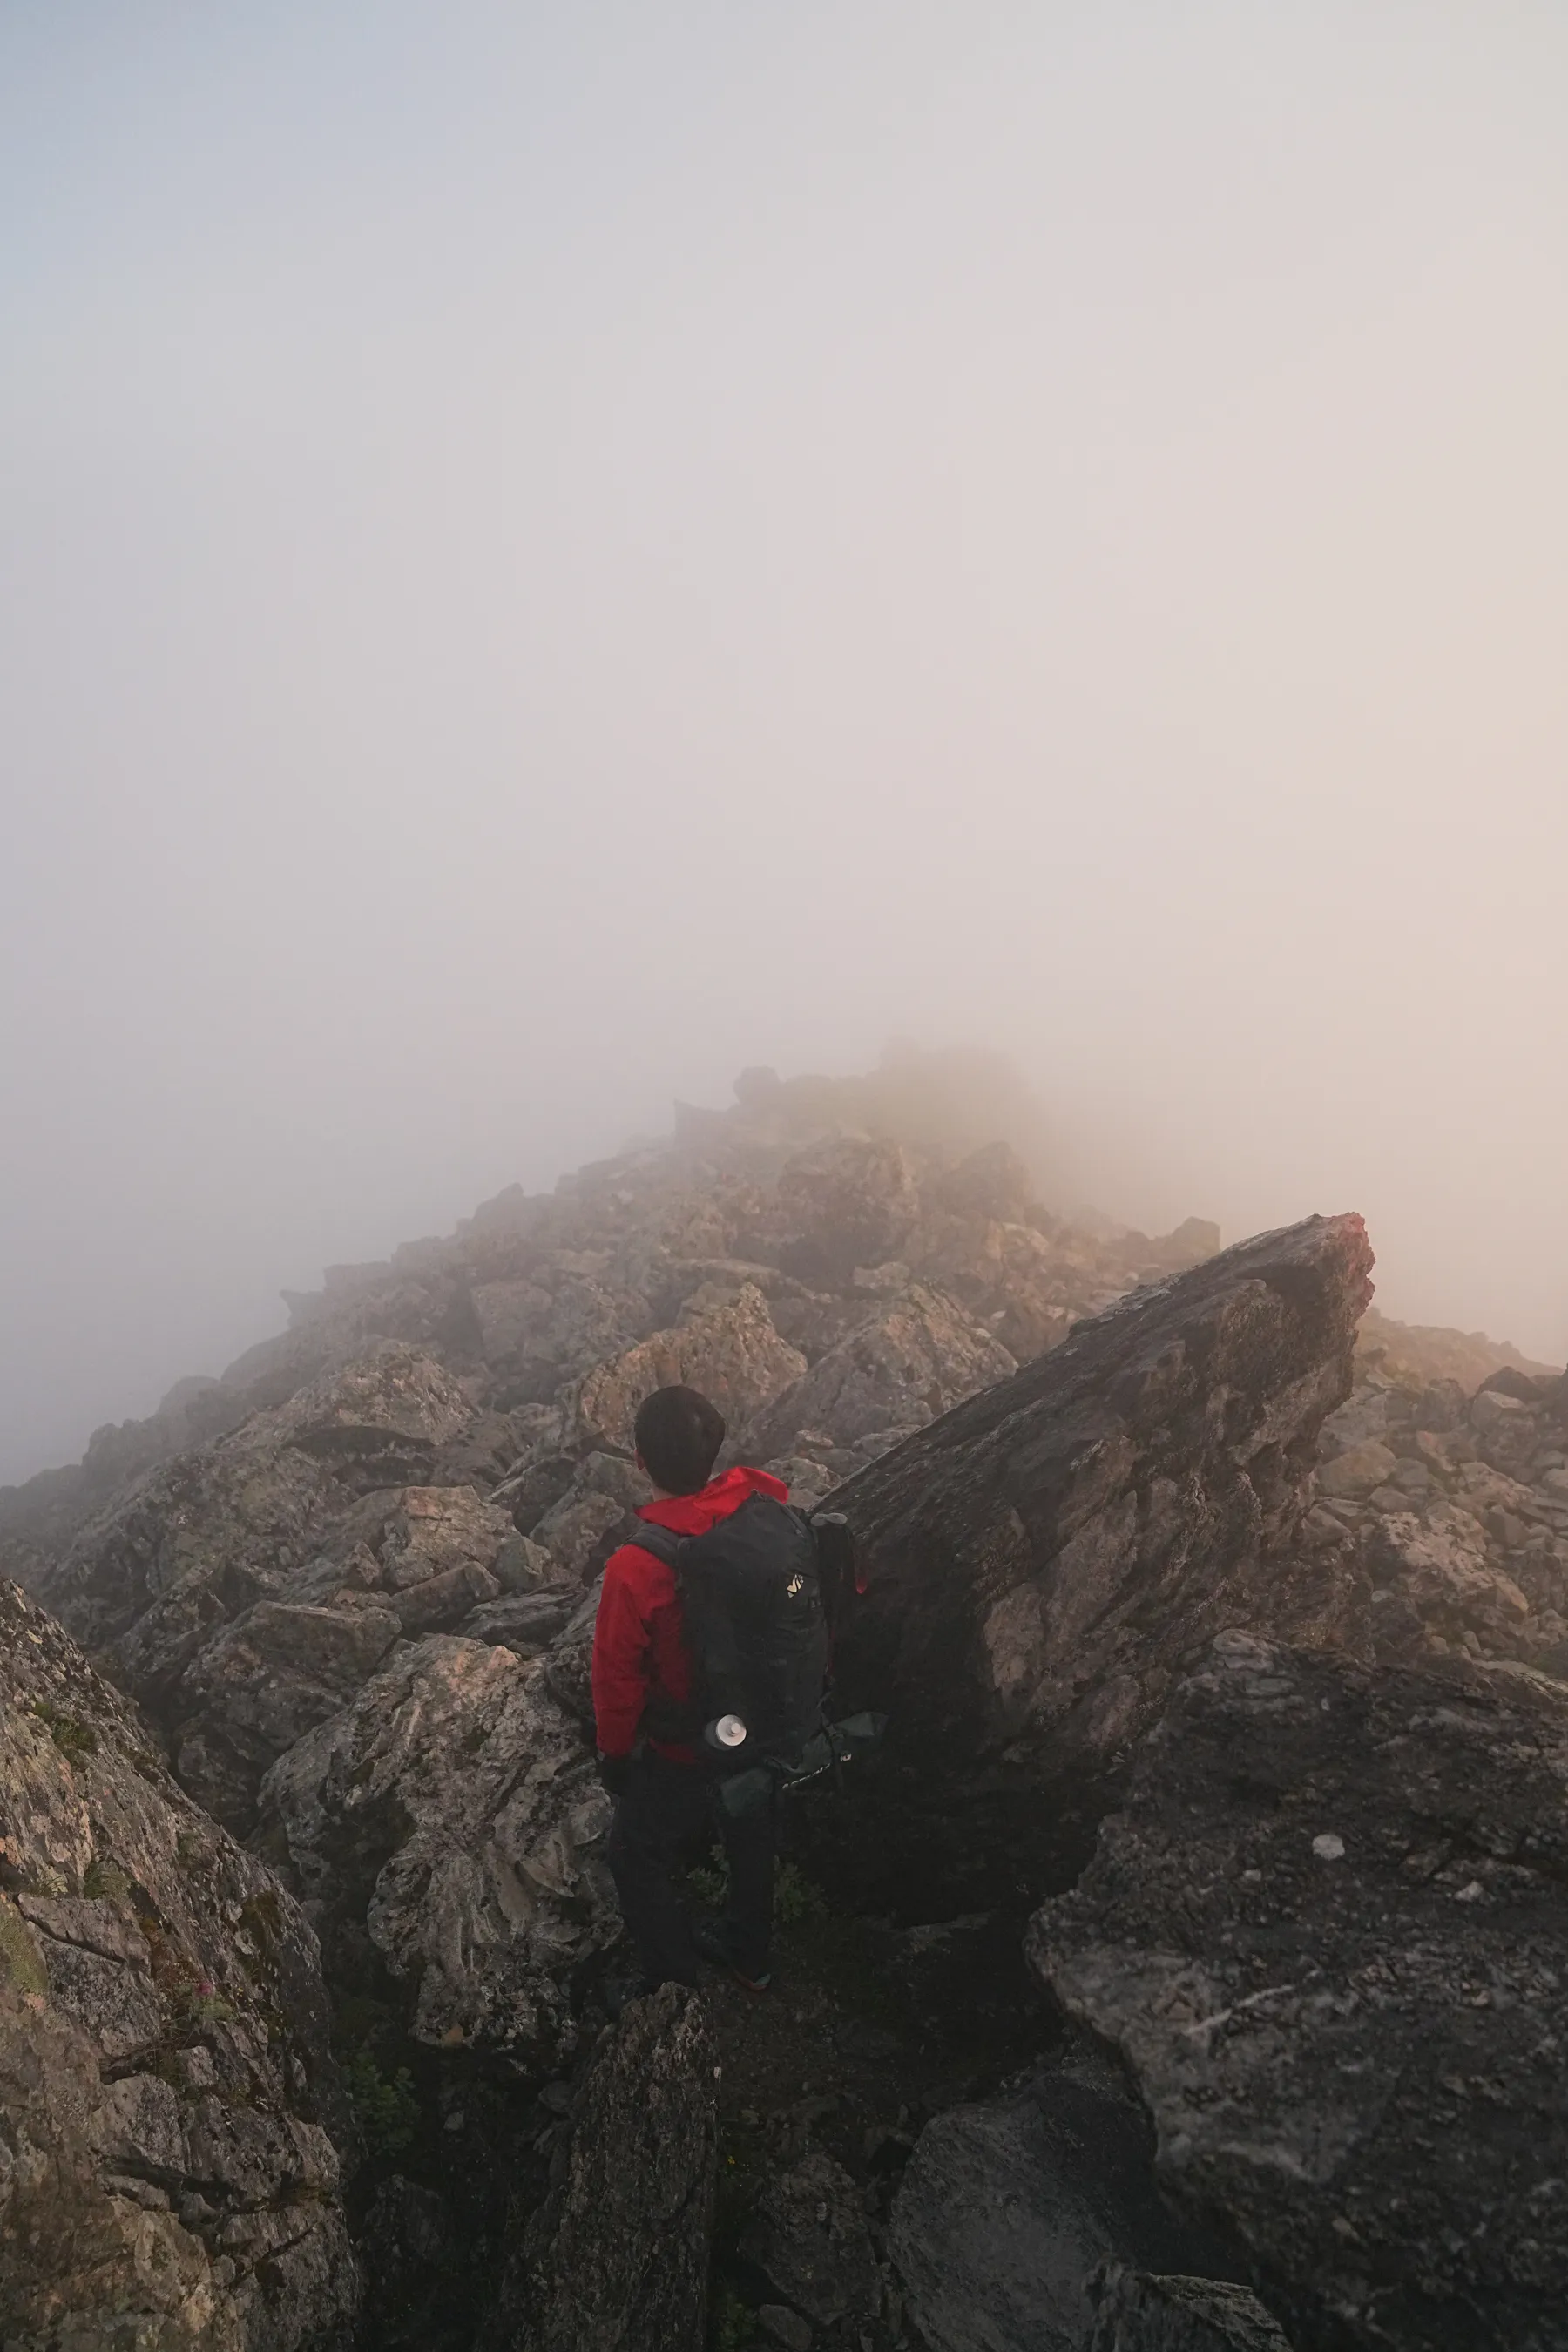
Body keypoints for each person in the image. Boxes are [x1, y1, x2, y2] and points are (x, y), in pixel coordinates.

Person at [591, 1382, 789, 2007]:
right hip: (765, 1719)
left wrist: (616, 1758)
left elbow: (616, 1676)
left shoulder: (636, 1565)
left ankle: (672, 1988)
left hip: (685, 1748)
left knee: (632, 1853)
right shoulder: (762, 1508)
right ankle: (749, 1955)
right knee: (750, 1825)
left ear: (640, 1461)